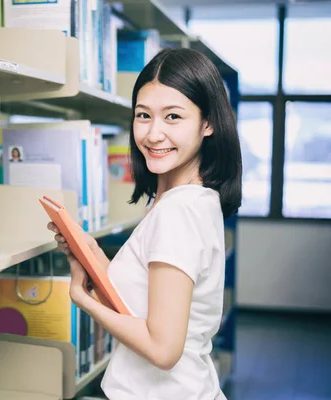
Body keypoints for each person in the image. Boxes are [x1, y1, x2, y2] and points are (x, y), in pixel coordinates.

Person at [48, 47, 242, 400]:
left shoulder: (178, 211)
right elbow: (143, 306)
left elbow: (163, 350)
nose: (153, 134)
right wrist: (91, 256)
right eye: (143, 115)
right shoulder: (191, 198)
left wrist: (82, 297)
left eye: (173, 117)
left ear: (208, 122)